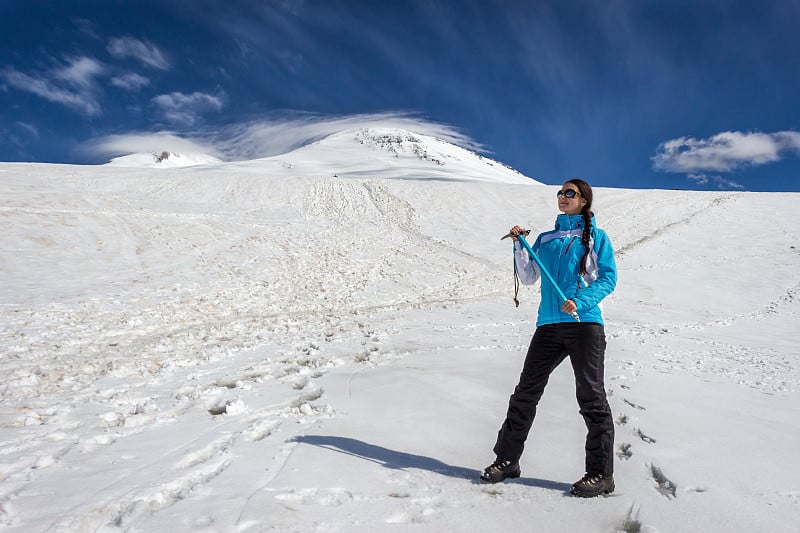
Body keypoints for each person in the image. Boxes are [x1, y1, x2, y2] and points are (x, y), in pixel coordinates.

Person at [481, 178, 618, 498]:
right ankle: (507, 460)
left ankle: (600, 474)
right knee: (525, 393)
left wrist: (581, 301)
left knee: (591, 397)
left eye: (570, 193)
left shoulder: (596, 237)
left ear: (584, 200)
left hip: (584, 323)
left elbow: (609, 278)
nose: (563, 197)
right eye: (560, 193)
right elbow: (528, 277)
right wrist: (519, 246)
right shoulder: (546, 237)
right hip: (548, 325)